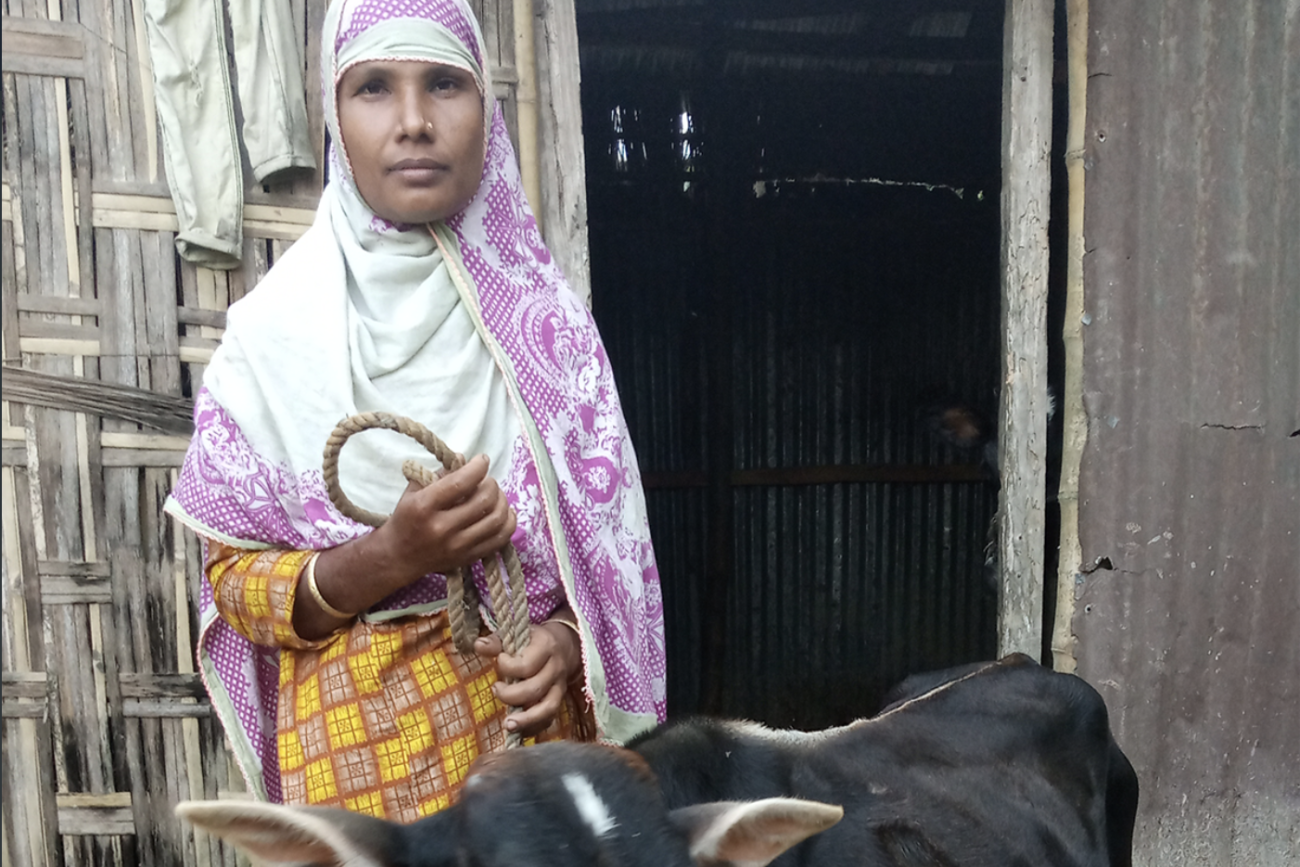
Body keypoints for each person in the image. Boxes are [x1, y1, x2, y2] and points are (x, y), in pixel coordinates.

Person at [164, 0, 665, 822]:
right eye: (372, 88)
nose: (413, 122)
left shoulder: (548, 330)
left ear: (486, 114)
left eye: (443, 84)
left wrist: (565, 648)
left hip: (534, 761)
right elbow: (234, 588)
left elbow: (605, 561)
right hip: (361, 777)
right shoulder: (269, 337)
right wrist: (391, 554)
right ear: (333, 115)